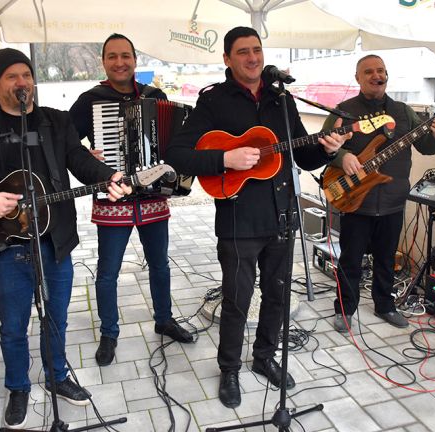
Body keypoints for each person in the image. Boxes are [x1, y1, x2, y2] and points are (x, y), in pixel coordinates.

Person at [0, 48, 133, 429]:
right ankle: (18, 387)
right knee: (13, 325)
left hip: (54, 240)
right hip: (4, 244)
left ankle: (56, 376)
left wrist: (107, 176)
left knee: (56, 317)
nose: (22, 82)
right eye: (12, 76)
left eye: (27, 75)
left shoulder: (55, 121)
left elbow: (79, 159)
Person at [165, 26, 349, 408]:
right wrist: (225, 158)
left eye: (257, 49)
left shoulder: (282, 99)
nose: (252, 57)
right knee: (237, 299)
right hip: (239, 219)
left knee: (278, 295)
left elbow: (303, 156)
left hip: (282, 215)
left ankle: (264, 357)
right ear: (227, 58)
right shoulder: (213, 101)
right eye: (243, 51)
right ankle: (229, 369)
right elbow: (178, 154)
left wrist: (328, 150)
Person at [69, 33, 193, 368]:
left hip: (153, 199)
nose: (120, 62)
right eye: (112, 56)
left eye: (125, 56)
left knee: (160, 264)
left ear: (135, 60)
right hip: (113, 199)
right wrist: (87, 155)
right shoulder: (90, 101)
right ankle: (109, 333)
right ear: (103, 62)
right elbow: (66, 143)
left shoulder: (156, 96)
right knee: (107, 271)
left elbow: (175, 143)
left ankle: (164, 320)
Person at [322, 54, 435, 333]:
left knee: (387, 259)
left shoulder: (403, 112)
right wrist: (342, 156)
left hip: (392, 200)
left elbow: (426, 146)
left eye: (380, 70)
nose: (376, 75)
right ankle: (345, 309)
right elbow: (324, 145)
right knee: (350, 260)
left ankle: (385, 305)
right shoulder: (344, 111)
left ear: (386, 75)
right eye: (368, 71)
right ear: (357, 78)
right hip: (355, 199)